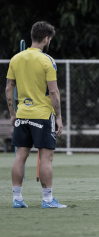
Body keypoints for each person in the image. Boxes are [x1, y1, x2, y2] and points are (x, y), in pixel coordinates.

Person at [5, 21, 66, 208]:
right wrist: (59, 117)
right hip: (41, 115)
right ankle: (47, 200)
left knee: (20, 156)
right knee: (46, 157)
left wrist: (13, 113)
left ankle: (17, 199)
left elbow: (9, 88)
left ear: (32, 36)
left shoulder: (15, 59)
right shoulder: (47, 60)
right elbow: (54, 92)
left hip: (22, 114)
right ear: (46, 39)